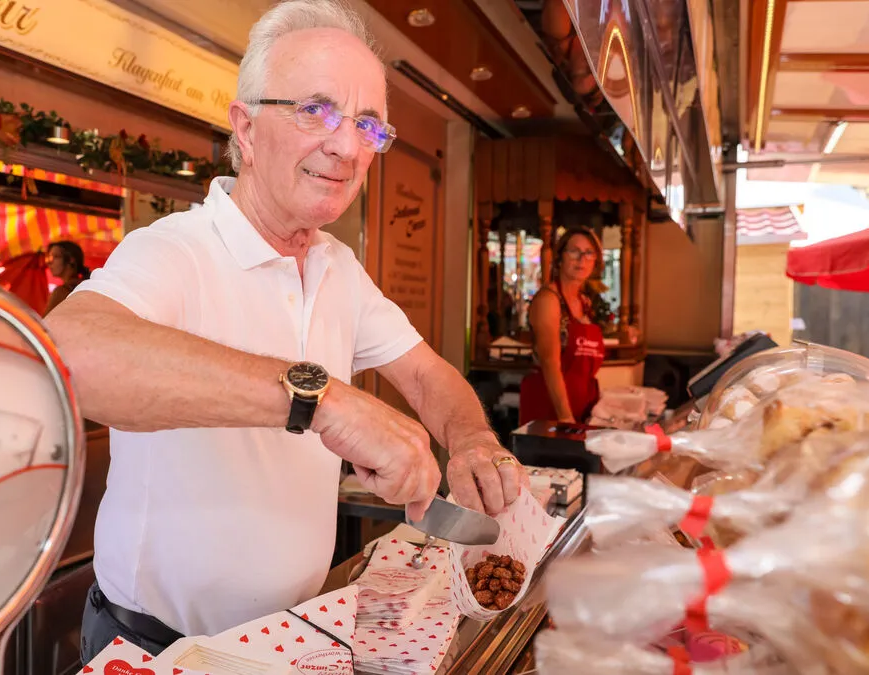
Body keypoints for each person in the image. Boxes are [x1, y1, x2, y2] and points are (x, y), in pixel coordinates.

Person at [45, 0, 523, 661]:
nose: (347, 147)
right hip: (161, 647)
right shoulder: (176, 250)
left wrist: (470, 437)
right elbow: (67, 353)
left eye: (367, 126)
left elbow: (424, 372)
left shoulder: (338, 267)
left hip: (298, 635)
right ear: (244, 127)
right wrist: (320, 399)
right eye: (316, 112)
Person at [518, 227, 607, 425]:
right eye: (574, 251)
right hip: (550, 411)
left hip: (581, 411)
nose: (581, 259)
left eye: (588, 253)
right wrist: (565, 418)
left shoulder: (585, 303)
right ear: (560, 258)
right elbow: (550, 363)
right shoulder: (549, 300)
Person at [43, 241, 90, 316]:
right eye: (49, 257)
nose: (49, 262)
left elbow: (44, 324)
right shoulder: (87, 286)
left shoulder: (62, 291)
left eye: (56, 256)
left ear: (71, 260)